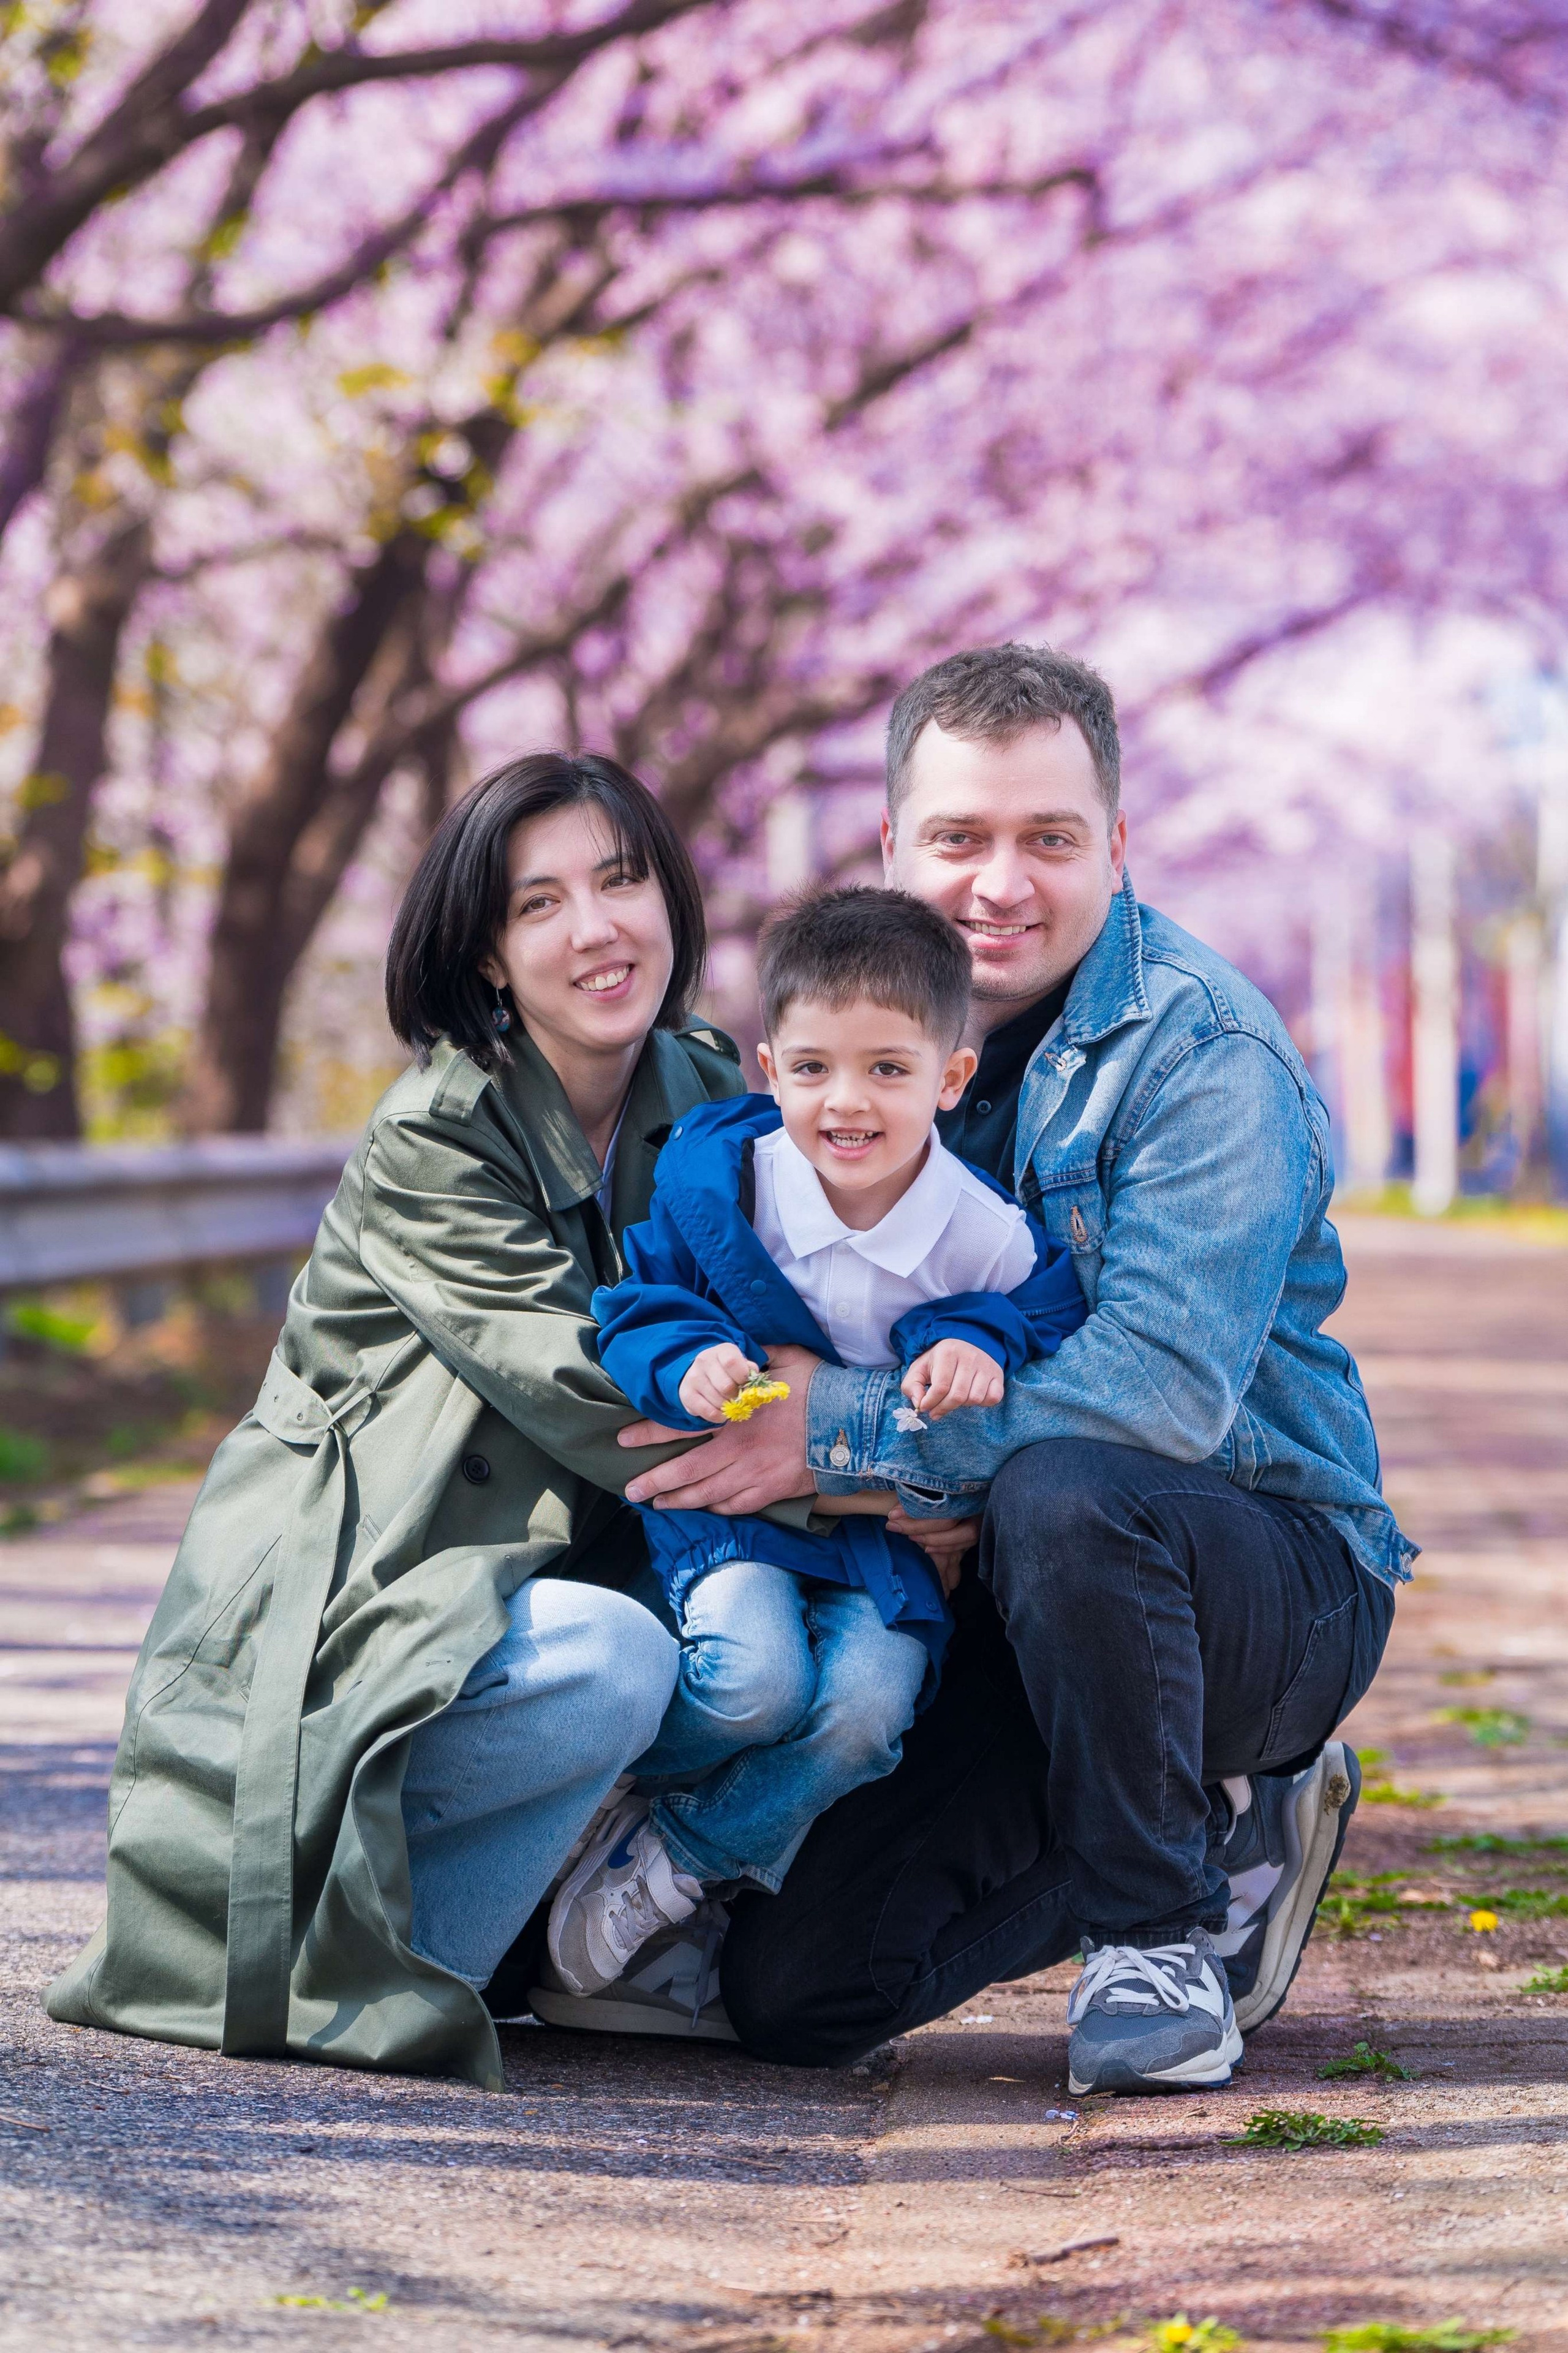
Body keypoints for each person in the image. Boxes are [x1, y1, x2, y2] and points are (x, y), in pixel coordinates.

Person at [613, 644, 1413, 2096]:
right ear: (891, 846)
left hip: (1255, 1578)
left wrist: (832, 1439)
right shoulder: (851, 1044)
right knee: (800, 1994)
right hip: (992, 1589)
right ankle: (1206, 1818)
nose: (999, 883)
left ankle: (1155, 1932)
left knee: (1062, 1491)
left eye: (1047, 838)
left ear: (1114, 842)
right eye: (957, 837)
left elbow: (1157, 1398)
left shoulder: (1201, 1051)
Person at [46, 750, 818, 2091]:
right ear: (486, 959)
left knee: (826, 1661)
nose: (596, 929)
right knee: (622, 1660)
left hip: (534, 1571)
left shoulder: (701, 1093)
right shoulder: (436, 1139)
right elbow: (605, 1401)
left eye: (621, 882)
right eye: (540, 904)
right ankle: (393, 1950)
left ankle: (568, 1914)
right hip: (373, 1596)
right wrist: (877, 1477)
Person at [537, 887, 1086, 2010]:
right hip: (741, 1512)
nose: (848, 1102)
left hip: (879, 1542)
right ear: (771, 1069)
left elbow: (1043, 1311)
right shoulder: (729, 1187)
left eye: (889, 1069)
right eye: (814, 1069)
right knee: (752, 1680)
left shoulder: (980, 1230)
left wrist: (977, 1341)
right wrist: (687, 1357)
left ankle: (683, 1849)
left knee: (869, 1712)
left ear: (950, 1078)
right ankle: (604, 1787)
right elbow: (638, 1305)